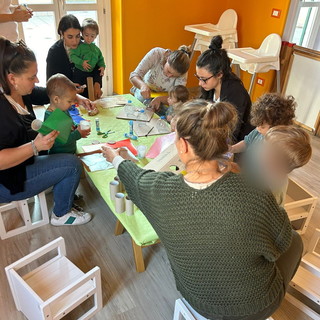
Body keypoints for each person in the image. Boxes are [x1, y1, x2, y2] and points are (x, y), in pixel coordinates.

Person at [102, 99, 302, 320]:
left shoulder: (157, 190)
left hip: (197, 299)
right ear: (222, 143)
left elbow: (135, 177)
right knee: (295, 240)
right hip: (255, 306)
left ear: (183, 146)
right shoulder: (256, 190)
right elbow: (279, 244)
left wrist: (116, 158)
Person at [0, 36, 91, 226]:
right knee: (72, 164)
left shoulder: (22, 91)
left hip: (25, 164)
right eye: (32, 77)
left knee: (65, 157)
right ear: (12, 78)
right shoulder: (3, 109)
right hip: (8, 181)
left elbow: (50, 92)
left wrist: (77, 98)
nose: (37, 80)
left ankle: (53, 181)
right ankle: (61, 215)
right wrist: (35, 146)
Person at [196, 35, 253, 142]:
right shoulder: (209, 85)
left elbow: (231, 131)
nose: (200, 83)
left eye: (203, 79)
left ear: (219, 74)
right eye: (198, 77)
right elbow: (200, 109)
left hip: (239, 142)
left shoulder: (235, 92)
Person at [46, 14, 103, 100]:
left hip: (87, 92)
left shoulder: (86, 44)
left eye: (77, 36)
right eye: (70, 37)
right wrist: (69, 88)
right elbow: (51, 82)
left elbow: (97, 64)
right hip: (64, 98)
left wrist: (97, 83)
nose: (75, 41)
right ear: (62, 33)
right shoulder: (54, 52)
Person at [259, 125, 312, 206]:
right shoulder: (271, 171)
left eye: (266, 149)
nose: (261, 150)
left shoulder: (273, 190)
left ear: (275, 162)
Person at [129, 45, 191, 112]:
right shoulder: (156, 53)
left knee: (172, 111)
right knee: (141, 101)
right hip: (146, 90)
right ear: (167, 59)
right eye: (168, 71)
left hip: (166, 96)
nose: (169, 76)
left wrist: (160, 99)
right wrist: (142, 86)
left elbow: (177, 97)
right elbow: (133, 76)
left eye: (174, 76)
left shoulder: (182, 71)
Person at [45, 73, 91, 154]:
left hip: (70, 151)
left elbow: (69, 125)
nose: (73, 103)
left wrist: (77, 127)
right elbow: (61, 141)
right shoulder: (51, 117)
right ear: (56, 99)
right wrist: (78, 134)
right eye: (69, 101)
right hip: (59, 156)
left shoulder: (63, 109)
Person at [70, 18, 106, 99]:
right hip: (79, 73)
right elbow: (72, 56)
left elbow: (101, 59)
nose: (89, 38)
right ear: (82, 33)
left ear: (96, 36)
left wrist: (102, 66)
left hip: (91, 73)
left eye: (92, 36)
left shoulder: (96, 49)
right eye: (86, 35)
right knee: (81, 91)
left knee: (92, 93)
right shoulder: (79, 47)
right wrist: (82, 62)